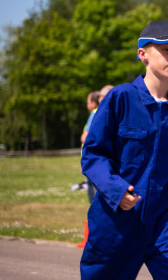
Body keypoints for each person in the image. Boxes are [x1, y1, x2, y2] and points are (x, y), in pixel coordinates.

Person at [80, 20, 168, 280]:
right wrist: (117, 191)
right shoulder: (120, 98)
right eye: (166, 50)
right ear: (143, 55)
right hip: (117, 221)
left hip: (165, 221)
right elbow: (93, 155)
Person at [76, 90, 101, 248]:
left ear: (94, 102)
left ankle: (93, 239)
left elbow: (85, 137)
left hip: (91, 161)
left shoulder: (95, 112)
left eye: (88, 102)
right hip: (95, 161)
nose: (87, 105)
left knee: (94, 201)